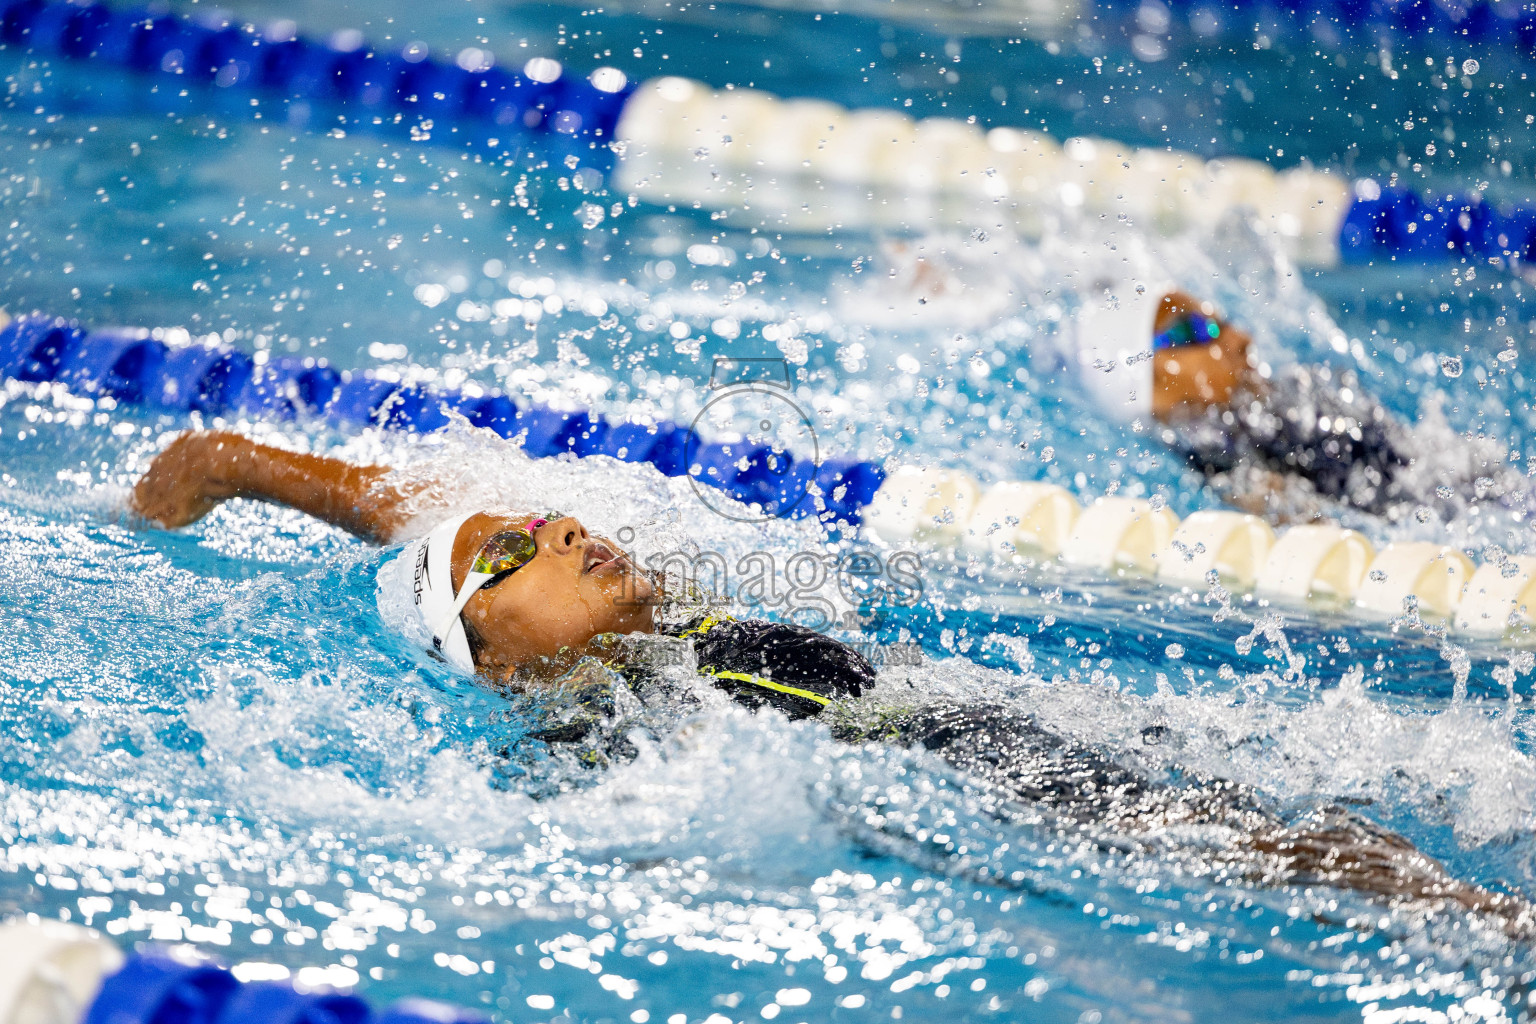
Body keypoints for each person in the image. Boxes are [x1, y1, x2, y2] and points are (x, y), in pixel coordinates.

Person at [129, 429, 1532, 935]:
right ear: (492, 665)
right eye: (514, 552)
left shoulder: (680, 631)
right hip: (1008, 795)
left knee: (1362, 799)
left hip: (1021, 735)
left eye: (541, 518)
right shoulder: (607, 747)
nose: (554, 523)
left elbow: (408, 509)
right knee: (1331, 852)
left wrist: (236, 465)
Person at [1074, 283, 1507, 524]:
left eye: (1219, 320)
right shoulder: (1214, 458)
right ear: (1144, 376)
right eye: (1195, 331)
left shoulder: (1272, 405)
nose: (1242, 338)